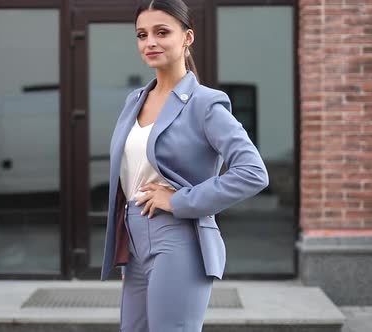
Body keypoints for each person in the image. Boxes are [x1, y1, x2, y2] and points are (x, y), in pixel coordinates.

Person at [100, 0, 269, 330]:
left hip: (179, 236)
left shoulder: (206, 104)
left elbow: (252, 172)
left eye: (162, 32)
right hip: (134, 241)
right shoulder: (134, 100)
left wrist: (178, 200)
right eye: (142, 34)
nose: (150, 42)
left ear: (187, 37)